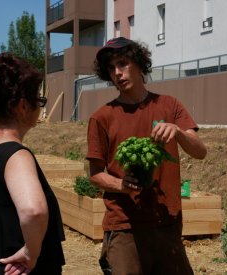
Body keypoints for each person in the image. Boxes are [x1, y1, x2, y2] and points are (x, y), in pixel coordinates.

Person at [87, 37, 207, 275]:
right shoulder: (102, 117)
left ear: (140, 64)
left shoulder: (169, 106)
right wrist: (121, 185)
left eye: (123, 63)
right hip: (125, 227)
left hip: (167, 223)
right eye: (111, 68)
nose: (117, 73)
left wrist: (178, 133)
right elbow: (95, 175)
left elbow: (200, 152)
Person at [0, 53, 65, 274]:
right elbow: (33, 210)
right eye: (39, 100)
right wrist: (30, 253)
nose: (40, 107)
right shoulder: (16, 155)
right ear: (23, 106)